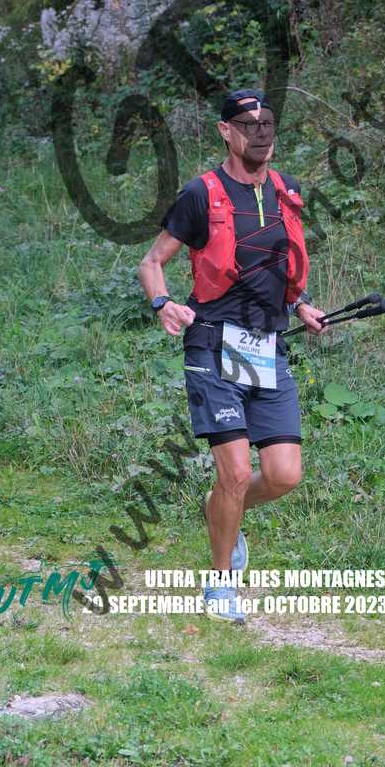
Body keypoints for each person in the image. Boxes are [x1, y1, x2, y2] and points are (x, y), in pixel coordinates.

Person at [138, 88, 330, 623]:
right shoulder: (201, 194)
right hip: (212, 344)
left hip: (266, 348)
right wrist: (163, 303)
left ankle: (222, 509)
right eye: (248, 124)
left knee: (284, 474)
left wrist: (302, 305)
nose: (259, 133)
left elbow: (278, 268)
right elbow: (151, 263)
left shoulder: (287, 190)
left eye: (266, 123)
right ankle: (221, 583)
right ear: (226, 131)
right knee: (237, 473)